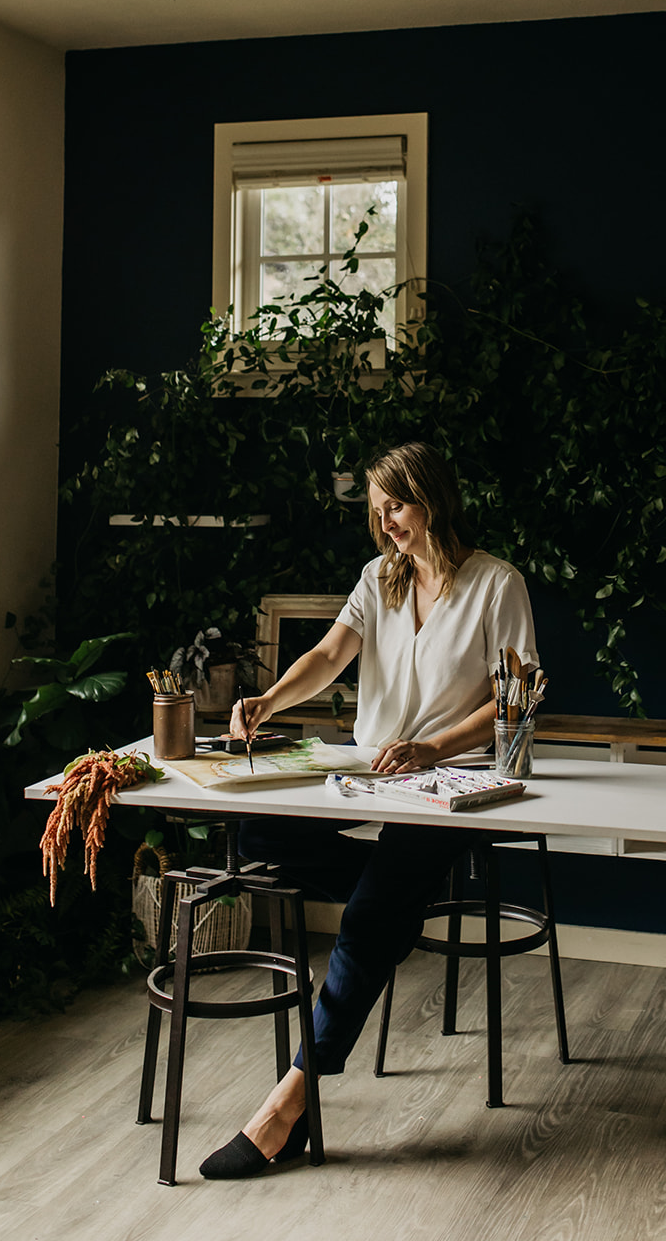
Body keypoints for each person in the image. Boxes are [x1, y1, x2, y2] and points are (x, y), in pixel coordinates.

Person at [199, 440, 538, 1179]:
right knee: (256, 826)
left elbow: (510, 702)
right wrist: (268, 698)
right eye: (377, 511)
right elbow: (327, 656)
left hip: (456, 786)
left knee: (367, 917)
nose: (385, 523)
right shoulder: (376, 578)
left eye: (397, 507)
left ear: (433, 501)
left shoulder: (495, 585)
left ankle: (286, 1105)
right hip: (370, 773)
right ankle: (392, 904)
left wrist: (432, 748)